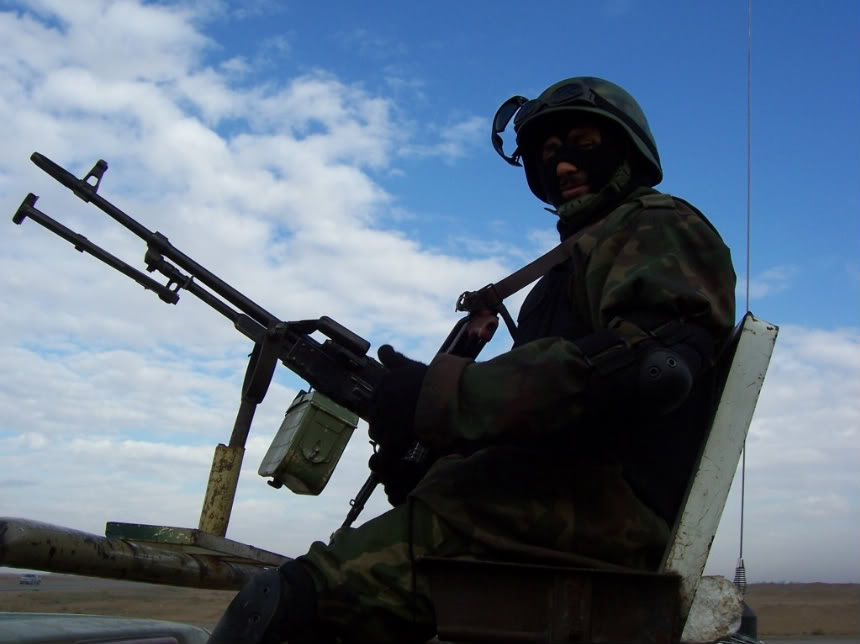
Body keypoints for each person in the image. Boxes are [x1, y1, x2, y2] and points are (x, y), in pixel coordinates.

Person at [208, 76, 737, 644]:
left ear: (628, 152)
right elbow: (541, 413)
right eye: (549, 156)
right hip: (531, 504)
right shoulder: (565, 271)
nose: (563, 168)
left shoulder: (657, 224)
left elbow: (648, 369)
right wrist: (423, 447)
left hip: (586, 514)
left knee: (284, 608)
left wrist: (440, 397)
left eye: (585, 146)